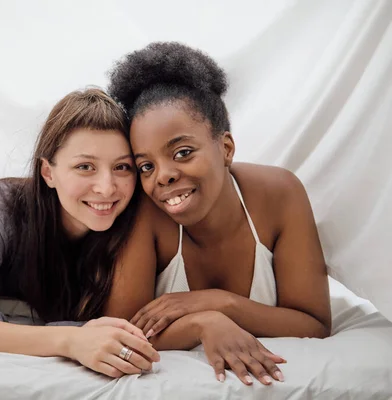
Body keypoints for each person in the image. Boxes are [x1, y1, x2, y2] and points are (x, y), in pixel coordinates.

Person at [104, 42, 332, 385]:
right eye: (146, 165)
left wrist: (221, 304)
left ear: (225, 148)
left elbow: (313, 323)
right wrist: (204, 322)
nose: (162, 175)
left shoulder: (280, 194)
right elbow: (123, 334)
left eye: (182, 152)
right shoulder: (145, 212)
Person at [0, 88, 160, 379]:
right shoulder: (4, 207)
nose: (106, 187)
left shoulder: (133, 218)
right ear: (48, 172)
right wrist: (71, 340)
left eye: (122, 167)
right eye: (85, 166)